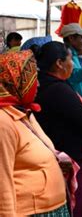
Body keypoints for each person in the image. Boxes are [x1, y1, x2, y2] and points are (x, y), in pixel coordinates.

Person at [34, 42, 82, 217]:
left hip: (60, 158)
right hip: (74, 159)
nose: (73, 63)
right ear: (60, 63)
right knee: (79, 206)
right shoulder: (57, 89)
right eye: (71, 59)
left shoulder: (45, 85)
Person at [0, 50, 69, 216]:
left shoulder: (21, 113)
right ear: (14, 82)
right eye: (32, 79)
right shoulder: (3, 122)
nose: (37, 85)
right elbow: (2, 183)